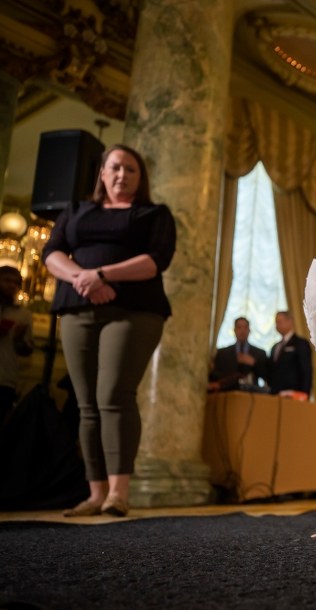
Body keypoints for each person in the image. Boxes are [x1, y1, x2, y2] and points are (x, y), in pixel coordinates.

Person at [42, 144, 176, 518]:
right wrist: (81, 278)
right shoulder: (76, 211)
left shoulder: (153, 214)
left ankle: (119, 493)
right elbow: (52, 252)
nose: (122, 175)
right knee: (86, 404)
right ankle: (95, 493)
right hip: (76, 308)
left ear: (140, 177)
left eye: (131, 170)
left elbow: (155, 261)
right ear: (102, 173)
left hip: (134, 312)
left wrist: (100, 274)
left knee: (114, 395)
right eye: (115, 168)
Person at [0, 265, 34, 426]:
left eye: (16, 283)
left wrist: (19, 340)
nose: (12, 285)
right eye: (7, 280)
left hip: (6, 379)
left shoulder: (23, 314)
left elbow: (26, 351)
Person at [208, 316, 268, 392]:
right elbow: (215, 376)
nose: (242, 331)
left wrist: (254, 363)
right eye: (239, 327)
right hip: (227, 394)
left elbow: (267, 376)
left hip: (252, 395)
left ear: (249, 330)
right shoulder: (223, 353)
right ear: (234, 330)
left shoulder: (260, 353)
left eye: (245, 328)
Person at [268, 310, 312, 396]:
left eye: (280, 322)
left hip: (294, 394)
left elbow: (306, 371)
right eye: (276, 322)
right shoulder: (275, 347)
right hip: (276, 394)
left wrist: (304, 394)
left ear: (289, 322)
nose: (277, 325)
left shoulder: (300, 343)